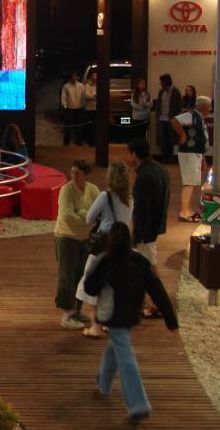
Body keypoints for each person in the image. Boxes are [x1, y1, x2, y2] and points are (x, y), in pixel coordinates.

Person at [84, 221, 179, 425]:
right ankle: (117, 391)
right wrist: (171, 320)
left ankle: (131, 400)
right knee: (121, 346)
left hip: (111, 315)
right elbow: (158, 291)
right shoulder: (140, 262)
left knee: (121, 351)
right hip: (131, 315)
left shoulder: (104, 261)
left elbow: (90, 288)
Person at [77, 161, 134, 338]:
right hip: (122, 245)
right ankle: (110, 321)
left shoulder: (105, 196)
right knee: (114, 284)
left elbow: (89, 218)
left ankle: (95, 325)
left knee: (94, 280)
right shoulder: (130, 199)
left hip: (104, 244)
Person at [54, 159, 99, 329]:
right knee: (67, 276)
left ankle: (76, 310)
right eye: (72, 172)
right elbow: (67, 216)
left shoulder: (93, 190)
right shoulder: (66, 190)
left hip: (85, 240)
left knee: (81, 275)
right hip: (67, 238)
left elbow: (98, 212)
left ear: (85, 175)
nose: (73, 175)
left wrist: (80, 212)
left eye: (77, 173)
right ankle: (66, 314)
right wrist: (87, 218)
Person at [128, 137, 170, 318]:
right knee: (147, 266)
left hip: (146, 231)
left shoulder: (143, 176)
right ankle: (149, 302)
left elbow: (141, 209)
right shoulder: (161, 169)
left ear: (134, 154)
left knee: (149, 267)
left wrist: (137, 234)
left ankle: (157, 304)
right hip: (156, 225)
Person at [172, 95, 211, 222]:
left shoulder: (198, 118)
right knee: (189, 182)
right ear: (203, 107)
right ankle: (184, 212)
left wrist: (202, 158)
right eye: (209, 106)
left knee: (191, 182)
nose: (210, 109)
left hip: (195, 153)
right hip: (189, 153)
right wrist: (182, 134)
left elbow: (201, 139)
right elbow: (175, 120)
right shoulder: (191, 115)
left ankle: (187, 210)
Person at [154, 74, 182, 162]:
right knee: (162, 138)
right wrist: (157, 115)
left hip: (171, 119)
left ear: (166, 82)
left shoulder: (175, 91)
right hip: (161, 119)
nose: (160, 83)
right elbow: (158, 104)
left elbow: (179, 106)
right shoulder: (161, 91)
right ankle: (164, 156)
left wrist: (175, 117)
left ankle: (170, 157)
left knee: (171, 138)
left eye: (161, 81)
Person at [61, 72, 86, 146]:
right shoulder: (66, 86)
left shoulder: (81, 85)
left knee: (79, 127)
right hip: (70, 109)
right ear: (70, 77)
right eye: (73, 76)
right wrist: (65, 106)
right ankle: (66, 142)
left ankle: (79, 141)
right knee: (68, 127)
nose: (74, 78)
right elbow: (63, 97)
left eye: (75, 76)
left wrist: (84, 105)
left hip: (79, 108)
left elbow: (84, 95)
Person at [83, 70, 98, 146]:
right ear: (91, 77)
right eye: (94, 75)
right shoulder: (87, 85)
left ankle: (97, 141)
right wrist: (95, 95)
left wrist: (93, 94)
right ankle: (90, 142)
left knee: (97, 126)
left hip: (98, 109)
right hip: (90, 109)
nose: (95, 77)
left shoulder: (100, 85)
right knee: (90, 126)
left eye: (96, 75)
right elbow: (87, 96)